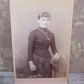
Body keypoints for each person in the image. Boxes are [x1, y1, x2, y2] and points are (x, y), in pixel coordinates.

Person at [27, 12, 60, 78]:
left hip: (48, 62)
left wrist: (56, 53)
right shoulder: (33, 33)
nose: (45, 22)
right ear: (38, 20)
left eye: (48, 20)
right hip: (36, 61)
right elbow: (29, 50)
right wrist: (31, 63)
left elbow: (54, 49)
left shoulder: (51, 34)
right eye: (43, 19)